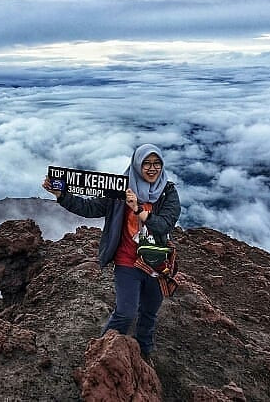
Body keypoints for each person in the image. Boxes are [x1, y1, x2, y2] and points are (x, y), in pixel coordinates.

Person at [42, 143, 181, 360]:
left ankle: (144, 353)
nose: (152, 168)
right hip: (127, 262)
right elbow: (90, 208)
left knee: (149, 313)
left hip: (156, 263)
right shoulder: (119, 189)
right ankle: (100, 355)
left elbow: (164, 225)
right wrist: (62, 195)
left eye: (157, 164)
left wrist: (137, 209)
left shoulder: (167, 192)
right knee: (126, 312)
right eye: (146, 163)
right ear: (136, 165)